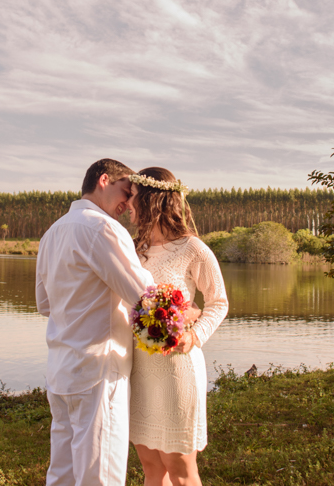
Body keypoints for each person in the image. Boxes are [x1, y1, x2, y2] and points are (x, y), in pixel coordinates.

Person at [36, 158, 155, 486]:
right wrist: (182, 310)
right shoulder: (102, 228)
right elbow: (142, 296)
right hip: (98, 372)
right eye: (125, 191)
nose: (128, 202)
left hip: (61, 371)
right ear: (104, 180)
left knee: (61, 474)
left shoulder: (53, 232)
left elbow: (44, 304)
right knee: (101, 477)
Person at [127, 167, 229, 486]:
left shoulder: (193, 249)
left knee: (180, 468)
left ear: (151, 200)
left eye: (132, 197)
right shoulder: (132, 251)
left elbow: (218, 302)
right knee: (150, 465)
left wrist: (194, 334)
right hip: (140, 370)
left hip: (177, 370)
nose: (127, 204)